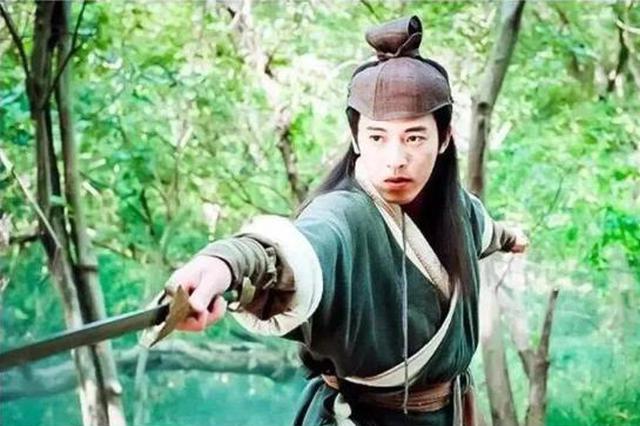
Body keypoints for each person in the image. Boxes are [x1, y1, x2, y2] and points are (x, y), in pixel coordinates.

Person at [165, 15, 528, 426]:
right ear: (356, 138)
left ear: (443, 138)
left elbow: (485, 231)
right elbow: (289, 253)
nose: (395, 158)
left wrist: (512, 237)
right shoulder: (343, 215)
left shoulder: (456, 209)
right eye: (377, 137)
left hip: (450, 414)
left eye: (414, 137)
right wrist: (223, 265)